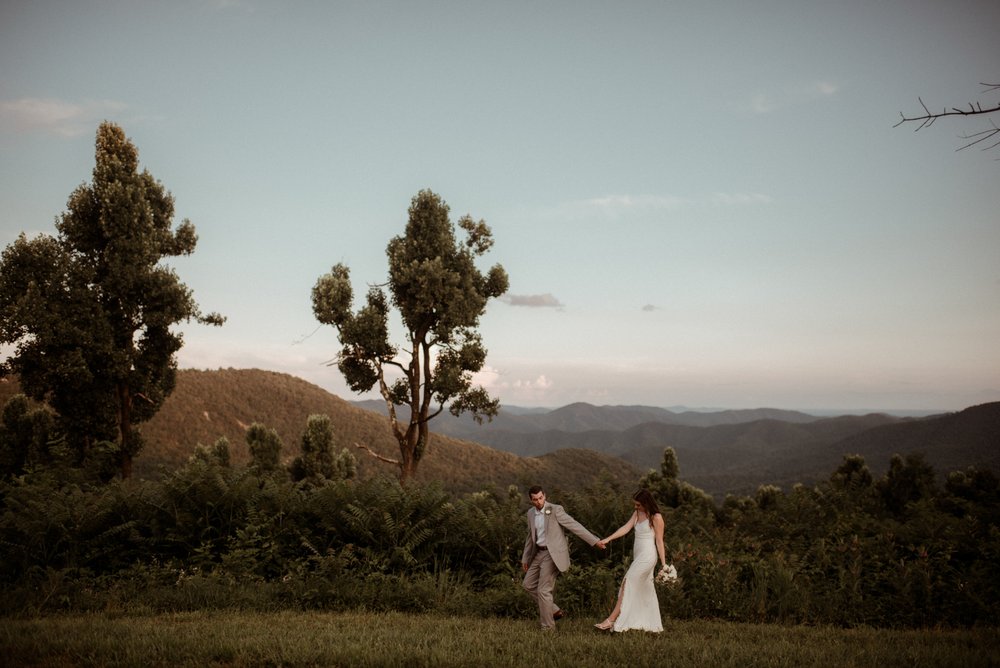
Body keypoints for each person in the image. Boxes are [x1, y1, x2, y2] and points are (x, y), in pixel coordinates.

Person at [521, 485, 604, 631]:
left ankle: (548, 628)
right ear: (531, 500)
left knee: (543, 590)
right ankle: (553, 610)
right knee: (527, 585)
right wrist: (525, 558)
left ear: (544, 496)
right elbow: (530, 537)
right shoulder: (530, 514)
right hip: (538, 553)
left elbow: (574, 525)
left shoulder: (555, 510)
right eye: (535, 499)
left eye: (541, 498)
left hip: (553, 554)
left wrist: (594, 541)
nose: (539, 502)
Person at [594, 488, 668, 632]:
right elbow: (626, 528)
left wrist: (664, 564)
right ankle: (647, 622)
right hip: (638, 555)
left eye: (638, 504)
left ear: (646, 503)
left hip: (648, 556)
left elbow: (659, 541)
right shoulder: (637, 513)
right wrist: (608, 539)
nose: (636, 507)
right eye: (635, 504)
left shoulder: (656, 517)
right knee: (644, 589)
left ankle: (610, 620)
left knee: (627, 582)